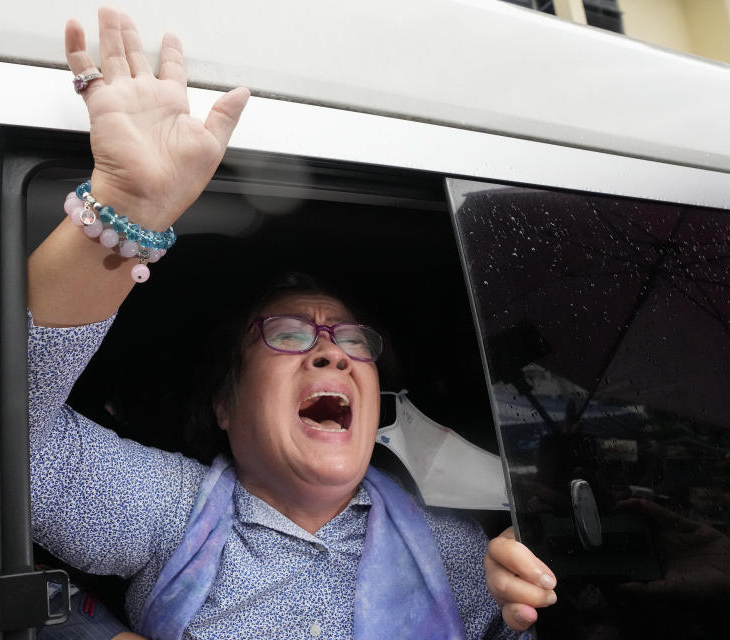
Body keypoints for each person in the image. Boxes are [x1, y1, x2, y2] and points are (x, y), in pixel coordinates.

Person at [28, 7, 558, 639]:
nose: (332, 354)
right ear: (224, 403)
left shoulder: (457, 553)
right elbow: (5, 439)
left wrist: (514, 621)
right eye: (288, 333)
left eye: (351, 339)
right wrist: (125, 207)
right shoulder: (169, 510)